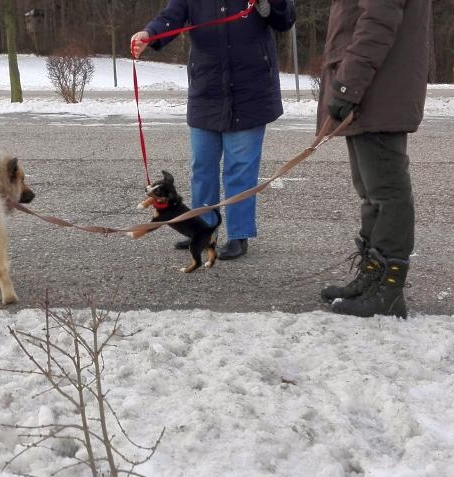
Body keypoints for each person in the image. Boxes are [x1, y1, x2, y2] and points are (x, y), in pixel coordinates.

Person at [131, 0, 295, 260]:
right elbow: (173, 14)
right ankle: (203, 230)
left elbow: (284, 19)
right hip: (207, 89)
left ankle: (239, 234)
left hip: (251, 91)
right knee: (202, 167)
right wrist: (150, 33)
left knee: (240, 169)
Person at [317, 0, 430, 318]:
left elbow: (376, 25)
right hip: (371, 90)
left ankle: (389, 289)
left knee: (387, 192)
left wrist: (346, 86)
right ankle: (372, 277)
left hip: (376, 89)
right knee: (371, 192)